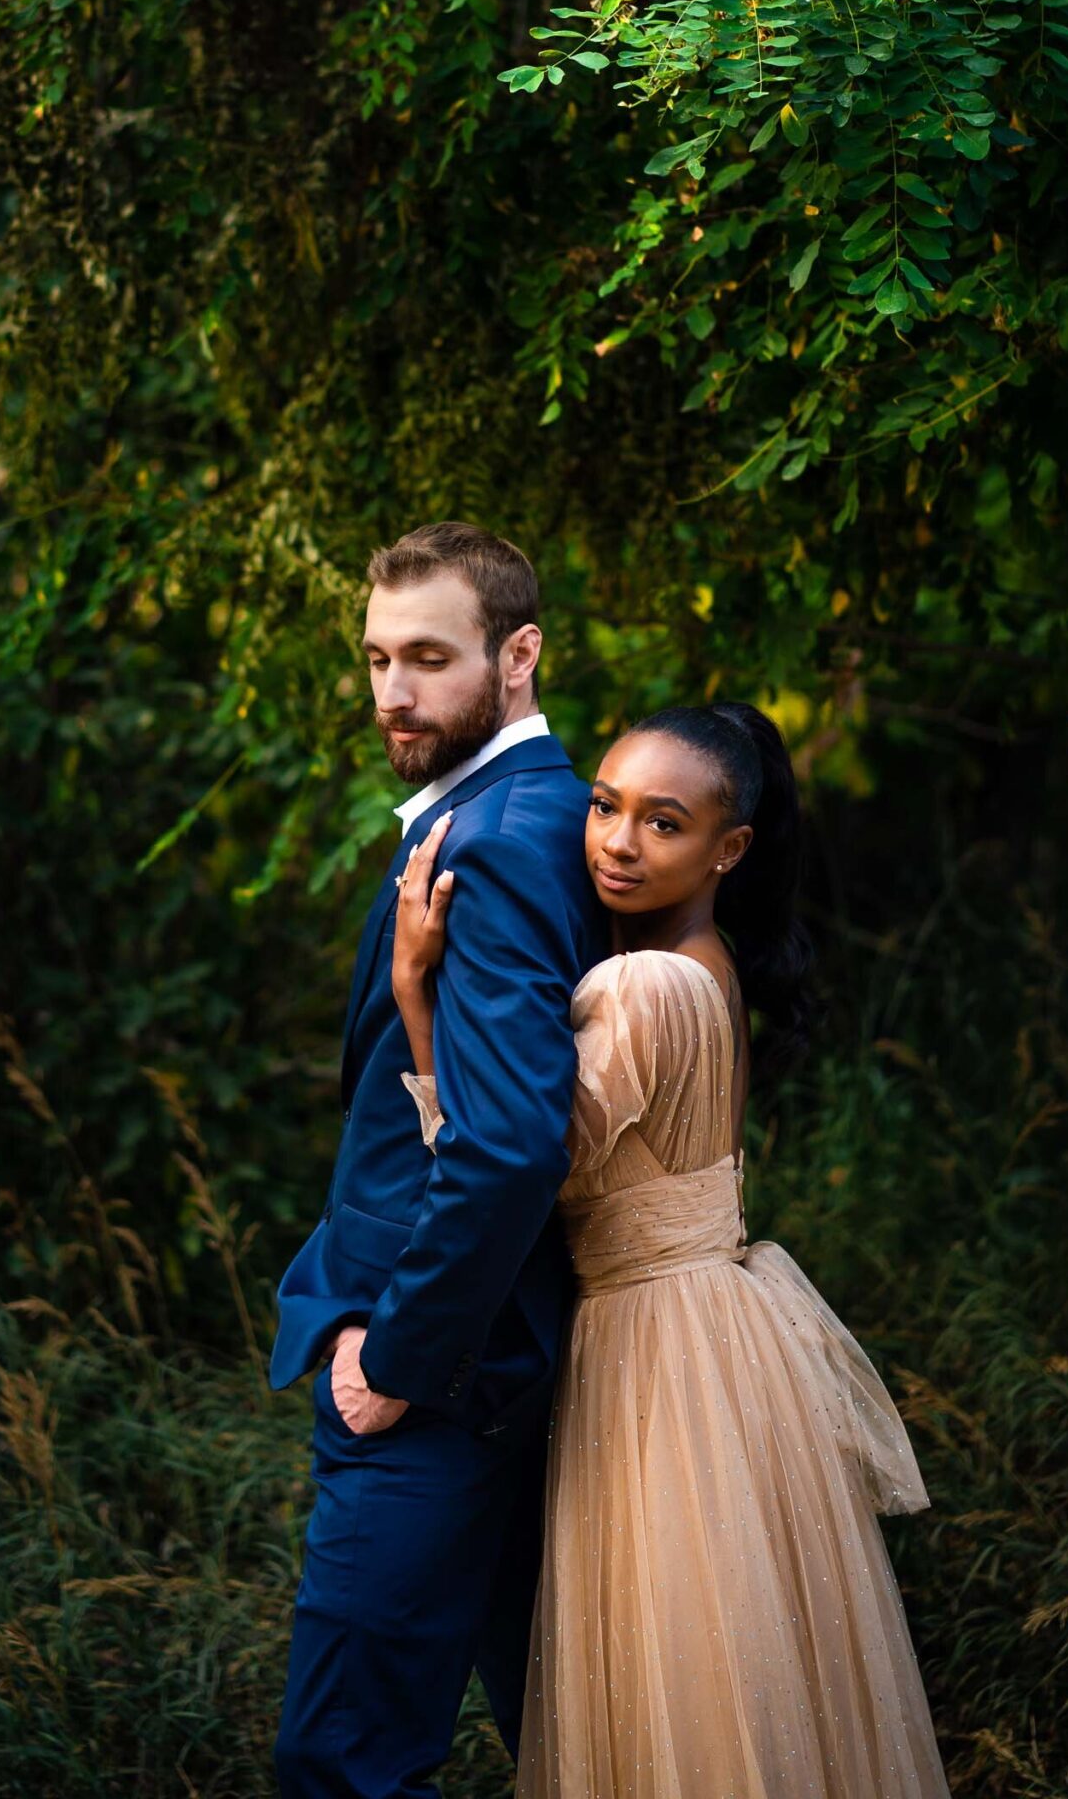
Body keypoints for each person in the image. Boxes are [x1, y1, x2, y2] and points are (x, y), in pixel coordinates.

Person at [393, 699, 954, 1799]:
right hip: (719, 1331)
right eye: (604, 805)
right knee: (737, 1653)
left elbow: (511, 1159)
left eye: (662, 823)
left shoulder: (643, 986)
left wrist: (419, 991)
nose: (613, 839)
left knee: (672, 1659)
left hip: (655, 1343)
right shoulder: (712, 966)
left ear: (726, 847)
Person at [268, 522, 607, 1798]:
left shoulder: (502, 841)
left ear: (518, 656)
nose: (392, 693)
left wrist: (395, 1359)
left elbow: (510, 1143)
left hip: (434, 1382)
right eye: (374, 658)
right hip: (499, 1364)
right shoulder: (544, 813)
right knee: (561, 1731)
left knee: (345, 1759)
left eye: (428, 657)